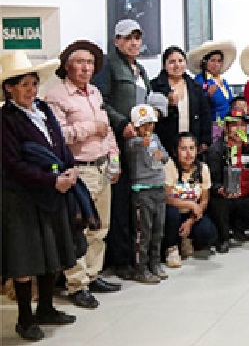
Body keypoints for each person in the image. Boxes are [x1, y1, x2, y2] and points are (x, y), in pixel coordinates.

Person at [1, 52, 79, 341]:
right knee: (25, 260)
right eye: (24, 84)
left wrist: (70, 169)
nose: (31, 90)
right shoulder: (5, 119)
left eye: (34, 84)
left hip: (53, 193)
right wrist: (51, 180)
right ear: (9, 87)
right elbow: (12, 164)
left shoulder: (43, 110)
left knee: (53, 252)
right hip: (21, 198)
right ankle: (24, 318)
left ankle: (46, 308)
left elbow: (59, 143)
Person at [45, 40, 122, 309]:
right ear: (67, 65)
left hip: (102, 166)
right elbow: (57, 136)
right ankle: (76, 283)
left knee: (100, 228)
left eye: (90, 63)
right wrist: (89, 128)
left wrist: (114, 159)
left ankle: (93, 274)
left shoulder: (95, 93)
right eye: (79, 62)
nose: (85, 68)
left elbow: (108, 129)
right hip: (79, 169)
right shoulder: (56, 96)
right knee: (77, 229)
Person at [92, 18, 150, 280]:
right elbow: (100, 101)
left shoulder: (139, 69)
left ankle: (139, 255)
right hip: (116, 142)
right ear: (116, 41)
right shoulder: (108, 66)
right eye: (127, 38)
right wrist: (121, 122)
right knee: (120, 202)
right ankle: (121, 260)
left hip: (138, 144)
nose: (133, 42)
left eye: (137, 37)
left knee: (135, 202)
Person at [206, 108, 249, 253]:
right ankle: (223, 237)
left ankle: (238, 227)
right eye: (234, 125)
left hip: (247, 194)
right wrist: (221, 189)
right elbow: (212, 180)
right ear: (227, 128)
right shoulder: (216, 149)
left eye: (242, 125)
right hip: (225, 197)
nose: (239, 129)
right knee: (219, 203)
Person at [125, 104, 170, 284]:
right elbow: (130, 149)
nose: (148, 129)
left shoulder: (156, 138)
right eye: (143, 125)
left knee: (158, 229)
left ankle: (155, 262)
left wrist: (162, 155)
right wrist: (138, 141)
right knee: (143, 231)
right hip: (142, 190)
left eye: (151, 124)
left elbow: (166, 157)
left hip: (158, 186)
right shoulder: (132, 141)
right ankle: (141, 267)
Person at [162, 132, 217, 268]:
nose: (188, 153)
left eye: (192, 148)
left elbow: (204, 200)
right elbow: (165, 197)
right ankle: (171, 248)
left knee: (208, 232)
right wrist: (190, 204)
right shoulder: (170, 166)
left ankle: (187, 240)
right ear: (176, 151)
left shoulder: (203, 168)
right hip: (173, 211)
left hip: (192, 213)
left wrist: (191, 221)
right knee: (172, 214)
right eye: (183, 149)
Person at [150, 45, 212, 157]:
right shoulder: (154, 86)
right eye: (172, 62)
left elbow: (205, 114)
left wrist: (205, 141)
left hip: (191, 145)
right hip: (164, 144)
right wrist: (166, 103)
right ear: (164, 65)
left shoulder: (195, 86)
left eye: (180, 61)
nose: (177, 65)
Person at [187, 40, 236, 142]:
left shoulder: (223, 81)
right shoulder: (199, 80)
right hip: (211, 128)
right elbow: (196, 105)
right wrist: (207, 96)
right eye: (212, 60)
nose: (216, 64)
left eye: (219, 61)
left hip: (228, 126)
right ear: (205, 62)